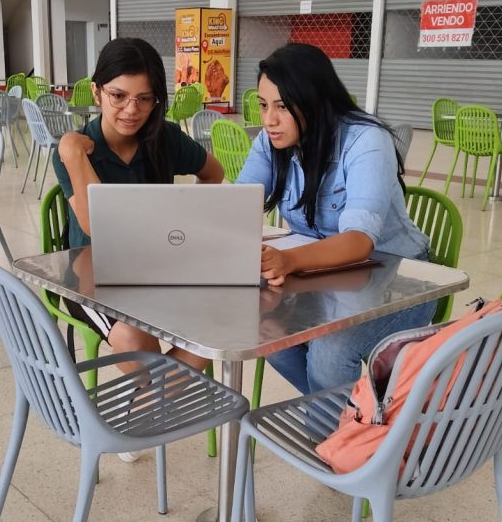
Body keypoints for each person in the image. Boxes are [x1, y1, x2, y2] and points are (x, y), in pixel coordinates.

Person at [53, 37, 225, 457]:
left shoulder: (164, 139)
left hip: (158, 271)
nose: (131, 110)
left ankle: (139, 416)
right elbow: (96, 226)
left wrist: (187, 221)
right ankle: (154, 408)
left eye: (144, 99)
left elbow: (214, 173)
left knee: (222, 322)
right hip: (91, 280)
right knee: (133, 336)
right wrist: (73, 153)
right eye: (118, 96)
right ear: (97, 92)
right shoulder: (76, 150)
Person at [235, 43, 434, 395]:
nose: (269, 120)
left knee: (330, 354)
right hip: (326, 275)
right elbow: (237, 206)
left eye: (283, 106)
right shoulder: (271, 142)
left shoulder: (366, 140)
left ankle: (337, 423)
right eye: (263, 105)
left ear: (315, 100)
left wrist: (288, 260)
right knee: (266, 331)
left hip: (399, 278)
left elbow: (359, 241)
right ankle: (343, 418)